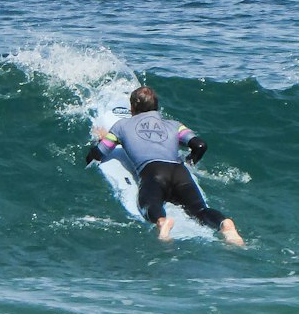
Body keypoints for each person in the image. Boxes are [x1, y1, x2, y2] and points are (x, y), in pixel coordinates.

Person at [86, 86, 245, 245]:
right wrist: (189, 163)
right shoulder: (175, 125)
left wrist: (99, 138)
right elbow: (200, 145)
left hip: (153, 172)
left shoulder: (121, 126)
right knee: (200, 211)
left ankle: (162, 222)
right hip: (180, 172)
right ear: (156, 107)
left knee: (149, 205)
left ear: (132, 108)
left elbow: (98, 154)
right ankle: (225, 224)